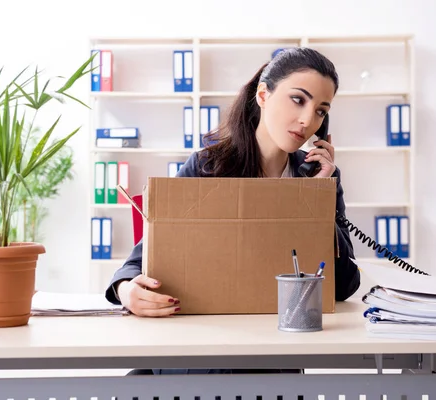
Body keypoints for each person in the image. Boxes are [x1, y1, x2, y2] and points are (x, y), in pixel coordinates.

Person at [105, 47, 361, 375]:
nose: (308, 120)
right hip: (202, 354)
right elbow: (139, 261)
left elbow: (344, 285)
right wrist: (126, 290)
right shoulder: (207, 167)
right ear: (264, 95)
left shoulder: (318, 178)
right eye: (299, 100)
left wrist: (318, 196)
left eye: (321, 111)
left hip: (275, 360)